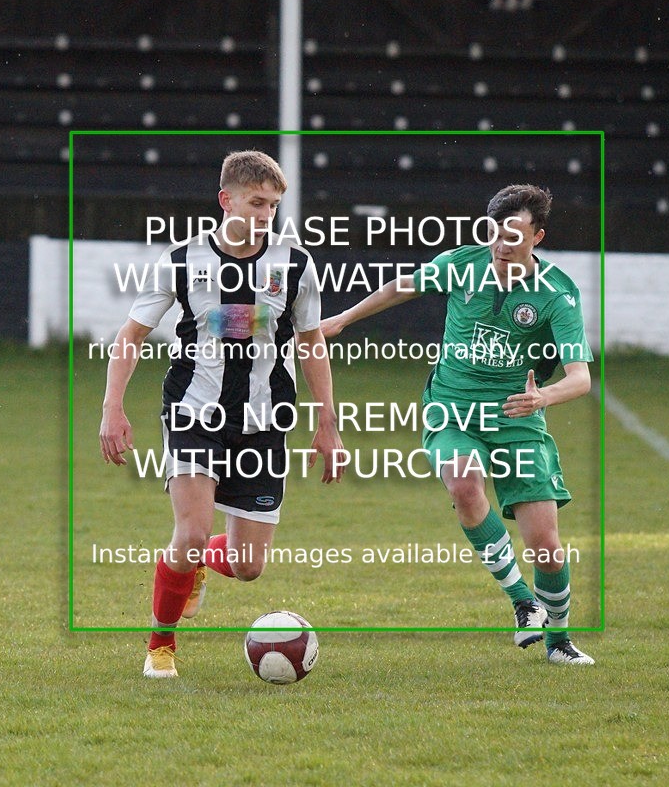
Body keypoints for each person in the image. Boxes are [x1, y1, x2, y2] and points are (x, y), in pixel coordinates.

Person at [322, 184, 595, 665]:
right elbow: (402, 286)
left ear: (538, 237)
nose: (502, 245)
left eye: (515, 236)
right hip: (451, 409)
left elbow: (580, 378)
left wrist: (543, 397)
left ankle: (559, 641)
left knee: (546, 548)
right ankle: (523, 602)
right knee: (465, 485)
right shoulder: (463, 264)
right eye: (495, 233)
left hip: (517, 418)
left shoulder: (557, 293)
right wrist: (343, 319)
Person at [100, 150, 344, 678]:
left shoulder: (295, 265)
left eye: (273, 205)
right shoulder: (181, 260)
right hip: (194, 412)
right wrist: (112, 407)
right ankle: (161, 644)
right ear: (225, 200)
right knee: (190, 533)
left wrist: (328, 421)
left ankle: (196, 566)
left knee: (247, 566)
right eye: (256, 203)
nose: (266, 215)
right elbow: (131, 335)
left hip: (265, 423)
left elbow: (311, 342)